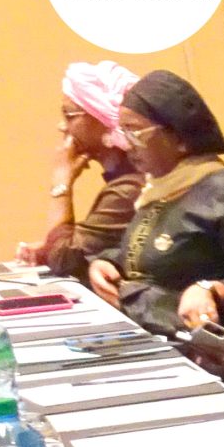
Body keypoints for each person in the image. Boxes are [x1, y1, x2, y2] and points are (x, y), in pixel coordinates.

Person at [89, 70, 224, 339]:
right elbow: (152, 259)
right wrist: (108, 262)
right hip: (154, 333)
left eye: (136, 133)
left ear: (180, 138)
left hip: (208, 347)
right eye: (124, 133)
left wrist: (212, 289)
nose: (127, 146)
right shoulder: (160, 188)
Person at [21, 61, 143, 284]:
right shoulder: (124, 178)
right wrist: (54, 245)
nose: (62, 126)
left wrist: (61, 181)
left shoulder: (130, 188)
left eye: (69, 115)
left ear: (104, 119)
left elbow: (64, 259)